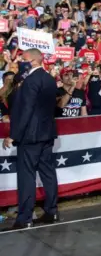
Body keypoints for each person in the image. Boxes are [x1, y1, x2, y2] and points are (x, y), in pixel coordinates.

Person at [2, 48, 60, 229]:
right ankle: (52, 211)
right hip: (47, 134)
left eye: (23, 59)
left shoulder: (31, 81)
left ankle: (25, 218)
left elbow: (25, 111)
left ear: (33, 61)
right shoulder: (50, 79)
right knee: (48, 172)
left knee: (27, 176)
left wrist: (13, 135)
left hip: (30, 136)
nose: (20, 61)